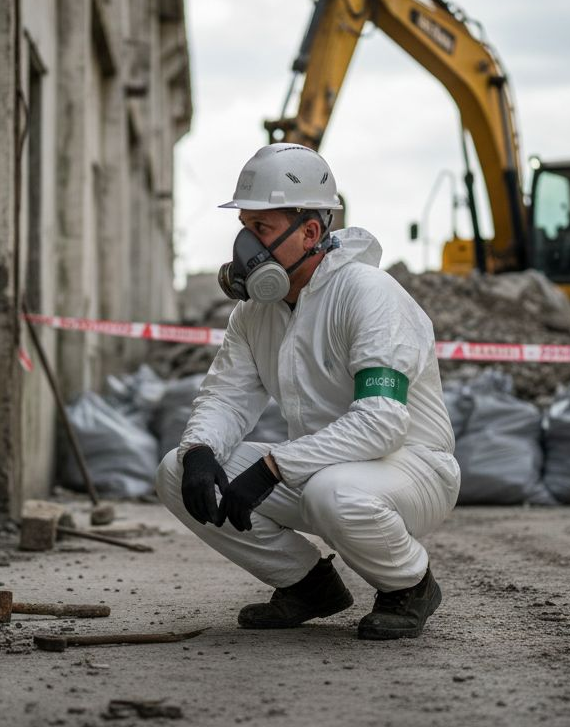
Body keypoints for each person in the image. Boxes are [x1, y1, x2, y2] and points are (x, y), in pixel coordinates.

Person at [155, 143, 460, 640]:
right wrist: (200, 450)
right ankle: (308, 585)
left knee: (331, 492)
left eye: (262, 231)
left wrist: (276, 466)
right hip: (321, 466)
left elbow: (381, 421)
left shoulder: (368, 295)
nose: (246, 249)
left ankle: (410, 586)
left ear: (311, 232)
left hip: (411, 468)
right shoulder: (255, 313)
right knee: (177, 471)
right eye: (244, 229)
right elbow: (226, 397)